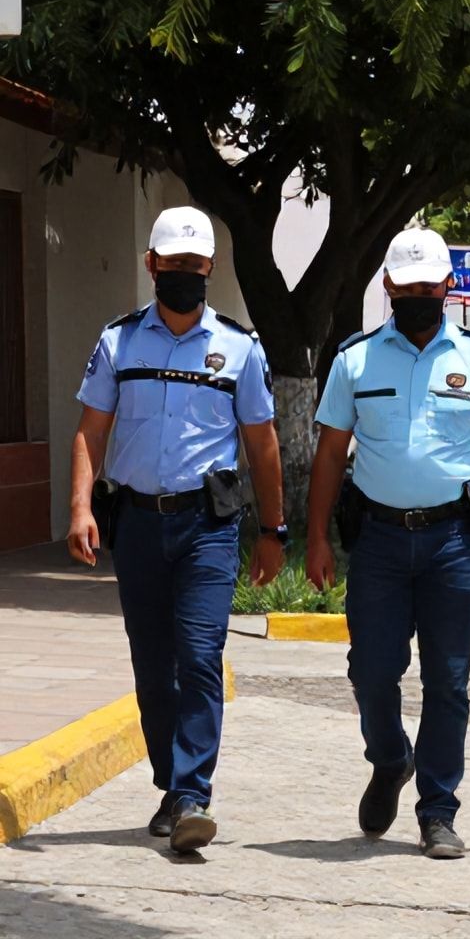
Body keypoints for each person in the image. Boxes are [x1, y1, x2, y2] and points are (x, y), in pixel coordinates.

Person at [305, 227, 470, 860]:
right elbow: (328, 456)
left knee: (449, 681)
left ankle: (438, 810)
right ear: (389, 288)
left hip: (451, 543)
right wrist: (315, 538)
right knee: (371, 671)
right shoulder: (354, 359)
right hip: (376, 541)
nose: (419, 297)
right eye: (407, 288)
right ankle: (389, 760)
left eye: (430, 286)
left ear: (447, 286)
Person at [67, 206, 287, 854]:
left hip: (206, 528)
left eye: (195, 267)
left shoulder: (240, 348)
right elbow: (90, 432)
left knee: (198, 656)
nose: (185, 276)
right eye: (174, 266)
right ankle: (173, 784)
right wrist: (81, 507)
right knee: (152, 665)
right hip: (136, 523)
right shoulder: (118, 343)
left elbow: (263, 444)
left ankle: (193, 793)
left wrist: (273, 529)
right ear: (152, 266)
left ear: (209, 269)